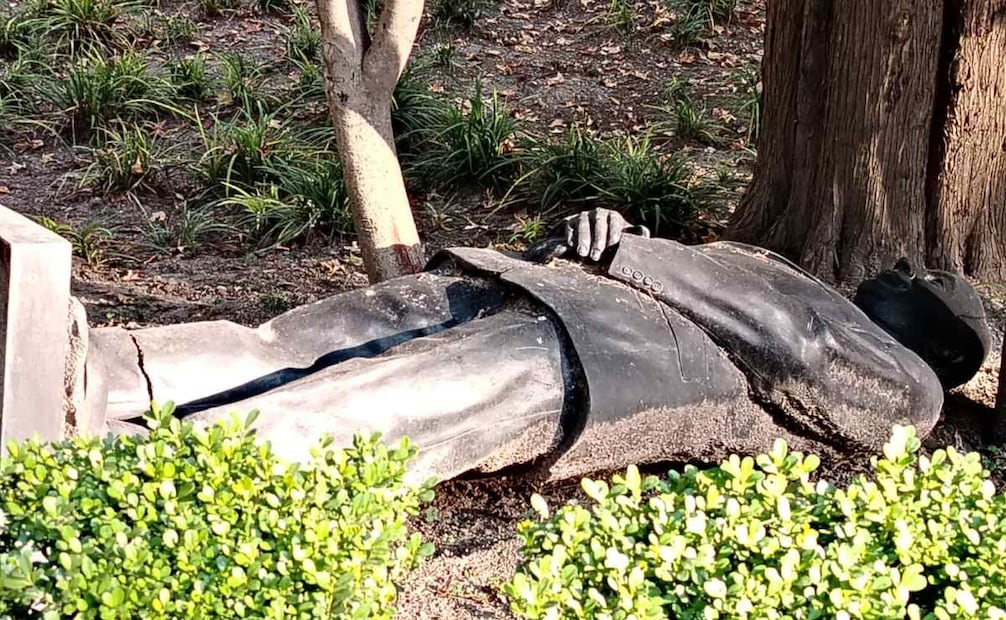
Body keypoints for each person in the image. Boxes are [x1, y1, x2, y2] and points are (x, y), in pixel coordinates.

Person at [73, 209, 991, 482]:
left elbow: (796, 354)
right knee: (284, 342)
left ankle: (124, 475)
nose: (903, 267)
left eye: (927, 281)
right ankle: (97, 369)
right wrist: (612, 230)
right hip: (544, 287)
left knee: (348, 414)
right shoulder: (786, 266)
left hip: (617, 356)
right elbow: (717, 281)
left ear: (948, 350)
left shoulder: (914, 391)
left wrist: (630, 255)